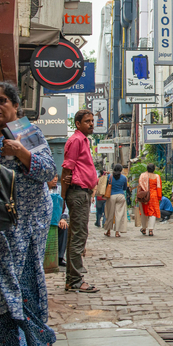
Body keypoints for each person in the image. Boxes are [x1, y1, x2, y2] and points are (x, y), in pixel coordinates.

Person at [0, 82, 58, 346]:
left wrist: (23, 154)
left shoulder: (28, 132)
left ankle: (36, 340)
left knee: (15, 283)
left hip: (26, 222)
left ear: (15, 105)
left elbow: (49, 172)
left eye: (2, 101)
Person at [62, 110, 99, 293]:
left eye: (92, 121)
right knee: (78, 237)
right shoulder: (76, 140)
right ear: (78, 124)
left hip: (83, 193)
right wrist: (63, 195)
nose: (91, 124)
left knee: (77, 236)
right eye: (87, 121)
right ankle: (75, 280)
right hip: (77, 193)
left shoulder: (84, 140)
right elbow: (67, 168)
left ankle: (72, 279)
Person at [103, 164, 129, 238]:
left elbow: (106, 186)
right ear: (121, 170)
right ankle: (117, 232)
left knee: (110, 214)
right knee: (119, 214)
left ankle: (108, 231)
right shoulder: (124, 178)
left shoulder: (109, 176)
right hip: (121, 196)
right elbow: (124, 188)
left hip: (111, 196)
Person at [138, 163, 162, 235]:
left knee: (144, 212)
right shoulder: (157, 176)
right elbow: (159, 187)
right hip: (154, 196)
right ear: (154, 169)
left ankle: (144, 228)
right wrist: (159, 197)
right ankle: (151, 230)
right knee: (153, 213)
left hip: (144, 196)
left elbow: (140, 186)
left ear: (147, 169)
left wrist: (138, 196)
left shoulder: (143, 176)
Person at [51, 178, 69, 267]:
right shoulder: (42, 190)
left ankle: (60, 257)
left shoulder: (60, 190)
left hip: (57, 219)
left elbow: (64, 207)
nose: (54, 179)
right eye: (52, 177)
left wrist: (63, 218)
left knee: (64, 227)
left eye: (55, 177)